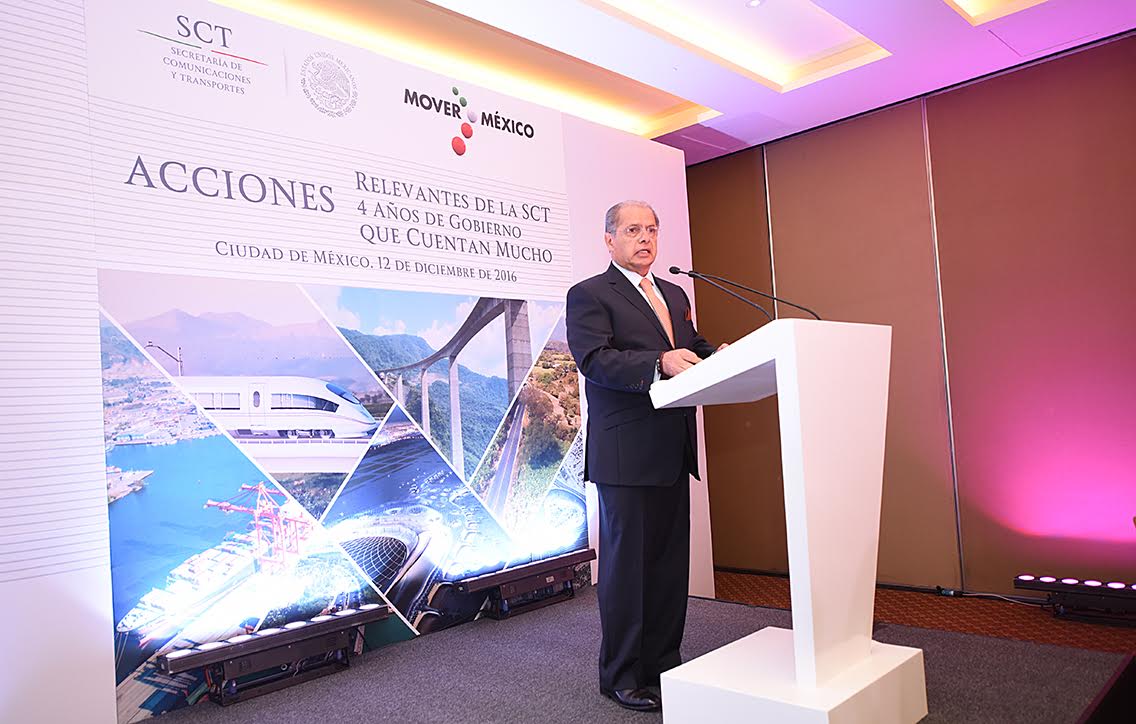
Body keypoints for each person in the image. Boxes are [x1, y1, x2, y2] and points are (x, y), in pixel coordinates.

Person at [565, 200, 722, 713]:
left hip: (673, 449)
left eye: (651, 229)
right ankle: (623, 676)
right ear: (609, 239)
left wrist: (722, 355)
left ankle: (663, 665)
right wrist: (659, 361)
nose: (645, 238)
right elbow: (595, 360)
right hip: (626, 454)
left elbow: (691, 345)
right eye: (633, 230)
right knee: (628, 572)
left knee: (669, 569)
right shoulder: (590, 294)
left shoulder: (673, 293)